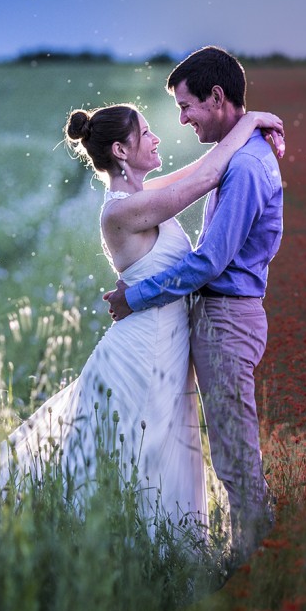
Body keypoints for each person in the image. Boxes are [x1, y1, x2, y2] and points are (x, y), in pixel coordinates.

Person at [0, 101, 284, 544]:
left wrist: (246, 129)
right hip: (145, 348)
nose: (157, 139)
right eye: (147, 133)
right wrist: (250, 122)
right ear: (120, 149)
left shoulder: (145, 196)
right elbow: (209, 176)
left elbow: (201, 167)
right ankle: (119, 547)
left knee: (156, 449)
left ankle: (163, 548)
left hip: (166, 344)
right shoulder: (120, 211)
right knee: (128, 452)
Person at [104, 46, 284, 565]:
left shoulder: (247, 167)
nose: (181, 119)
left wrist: (134, 296)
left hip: (228, 318)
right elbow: (195, 177)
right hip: (219, 316)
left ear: (218, 97)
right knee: (226, 444)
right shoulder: (243, 154)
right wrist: (250, 122)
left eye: (187, 107)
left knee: (232, 449)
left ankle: (255, 556)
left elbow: (208, 262)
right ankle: (248, 549)